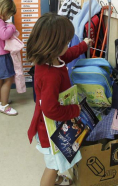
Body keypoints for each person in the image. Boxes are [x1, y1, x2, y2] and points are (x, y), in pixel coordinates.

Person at [26, 12, 92, 186]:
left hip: (53, 125)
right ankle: (50, 181)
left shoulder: (52, 58)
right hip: (50, 130)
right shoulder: (50, 75)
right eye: (66, 42)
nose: (68, 44)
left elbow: (68, 54)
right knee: (52, 166)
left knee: (53, 163)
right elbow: (51, 109)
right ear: (54, 45)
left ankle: (55, 180)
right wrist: (75, 110)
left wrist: (83, 46)